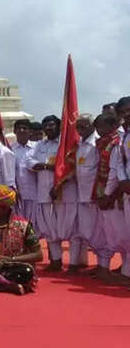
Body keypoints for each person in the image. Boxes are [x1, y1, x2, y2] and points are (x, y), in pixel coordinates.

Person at [28, 115, 75, 271]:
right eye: (46, 125)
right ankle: (56, 261)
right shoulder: (39, 145)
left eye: (52, 125)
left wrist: (49, 167)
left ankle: (75, 262)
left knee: (68, 227)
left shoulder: (64, 144)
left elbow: (69, 166)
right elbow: (28, 161)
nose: (49, 128)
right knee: (49, 229)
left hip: (64, 193)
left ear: (59, 126)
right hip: (43, 193)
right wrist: (43, 166)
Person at [92, 113, 122, 281]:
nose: (98, 130)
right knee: (103, 232)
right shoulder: (102, 143)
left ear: (112, 126)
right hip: (101, 193)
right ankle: (103, 267)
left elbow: (115, 172)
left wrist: (109, 195)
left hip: (114, 194)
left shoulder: (116, 143)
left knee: (118, 233)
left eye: (101, 126)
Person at [103, 97, 130, 283]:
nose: (127, 115)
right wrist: (122, 182)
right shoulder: (123, 138)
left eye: (129, 110)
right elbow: (120, 164)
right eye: (123, 112)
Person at [71, 114, 100, 273]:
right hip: (80, 194)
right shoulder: (80, 144)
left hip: (94, 196)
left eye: (84, 126)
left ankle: (102, 265)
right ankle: (83, 263)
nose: (81, 130)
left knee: (97, 231)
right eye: (78, 127)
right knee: (83, 230)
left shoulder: (97, 143)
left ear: (92, 126)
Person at [13, 119, 37, 231]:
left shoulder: (37, 148)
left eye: (25, 128)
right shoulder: (10, 150)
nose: (22, 130)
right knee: (19, 226)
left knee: (35, 227)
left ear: (30, 131)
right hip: (17, 195)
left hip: (35, 194)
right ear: (14, 131)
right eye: (19, 128)